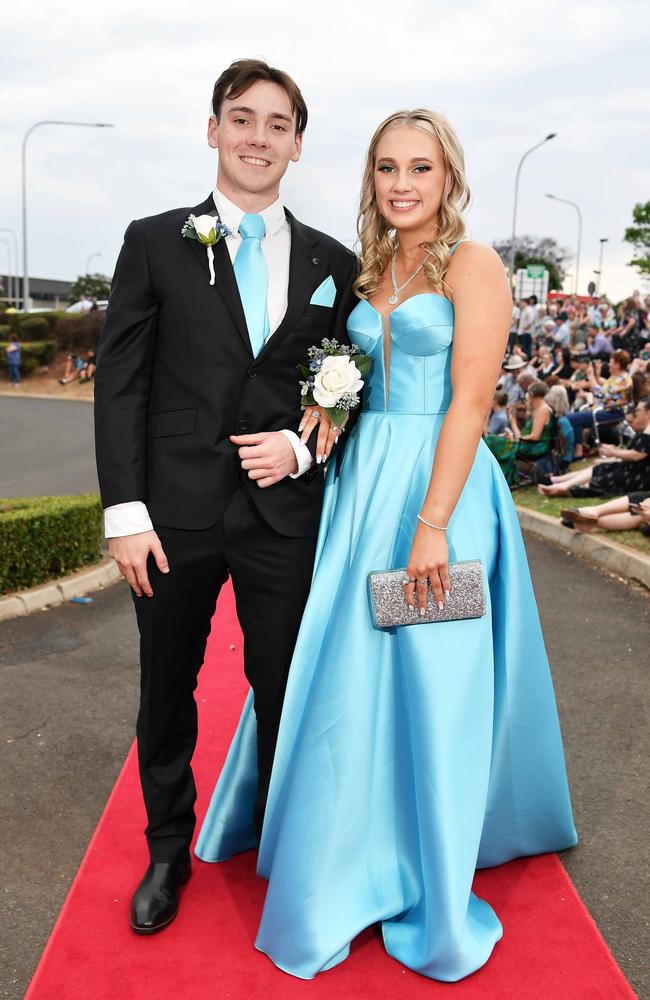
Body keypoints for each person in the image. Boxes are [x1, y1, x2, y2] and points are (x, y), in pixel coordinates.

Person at [197, 107, 577, 982]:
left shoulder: (474, 264)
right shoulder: (368, 270)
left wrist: (432, 525)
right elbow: (346, 385)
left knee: (431, 670)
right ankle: (345, 842)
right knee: (345, 677)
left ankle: (423, 855)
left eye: (421, 169)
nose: (402, 185)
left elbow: (470, 405)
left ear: (449, 178)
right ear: (370, 178)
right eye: (386, 169)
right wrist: (317, 422)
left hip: (438, 488)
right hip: (360, 486)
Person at [93, 58, 359, 935]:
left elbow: (342, 385)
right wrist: (124, 513)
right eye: (241, 119)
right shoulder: (153, 239)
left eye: (277, 124)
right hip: (170, 518)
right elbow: (121, 385)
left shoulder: (333, 261)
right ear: (214, 131)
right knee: (167, 686)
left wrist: (297, 444)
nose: (258, 137)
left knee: (285, 681)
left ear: (296, 143)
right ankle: (169, 847)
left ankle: (288, 847)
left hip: (283, 515)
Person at [538, 397, 650, 497]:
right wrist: (614, 454)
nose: (636, 413)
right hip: (631, 469)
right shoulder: (645, 429)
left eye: (638, 410)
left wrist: (613, 452)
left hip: (640, 475)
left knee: (603, 478)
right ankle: (560, 483)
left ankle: (563, 487)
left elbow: (637, 455)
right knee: (600, 468)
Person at [565, 349, 633, 458]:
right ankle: (578, 450)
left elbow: (602, 395)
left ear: (617, 364)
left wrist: (591, 377)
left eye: (611, 361)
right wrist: (595, 376)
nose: (609, 364)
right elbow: (600, 395)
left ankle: (578, 452)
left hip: (614, 412)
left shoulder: (624, 379)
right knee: (570, 416)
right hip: (603, 409)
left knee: (573, 418)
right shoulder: (613, 379)